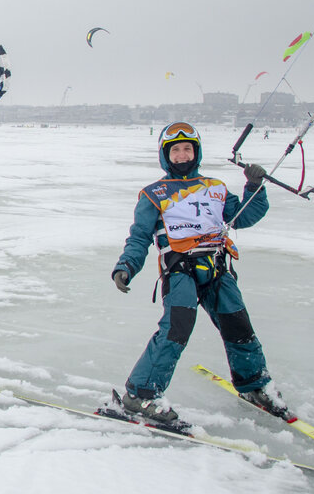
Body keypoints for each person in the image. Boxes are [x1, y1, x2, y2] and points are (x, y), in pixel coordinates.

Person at [110, 122, 288, 424]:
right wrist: (126, 266)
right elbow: (140, 236)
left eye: (187, 149)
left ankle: (255, 385)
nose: (182, 155)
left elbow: (243, 217)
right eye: (175, 150)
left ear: (196, 152)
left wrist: (254, 188)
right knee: (175, 331)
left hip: (217, 269)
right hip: (181, 272)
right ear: (166, 155)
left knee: (239, 328)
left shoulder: (215, 187)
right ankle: (141, 394)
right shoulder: (154, 194)